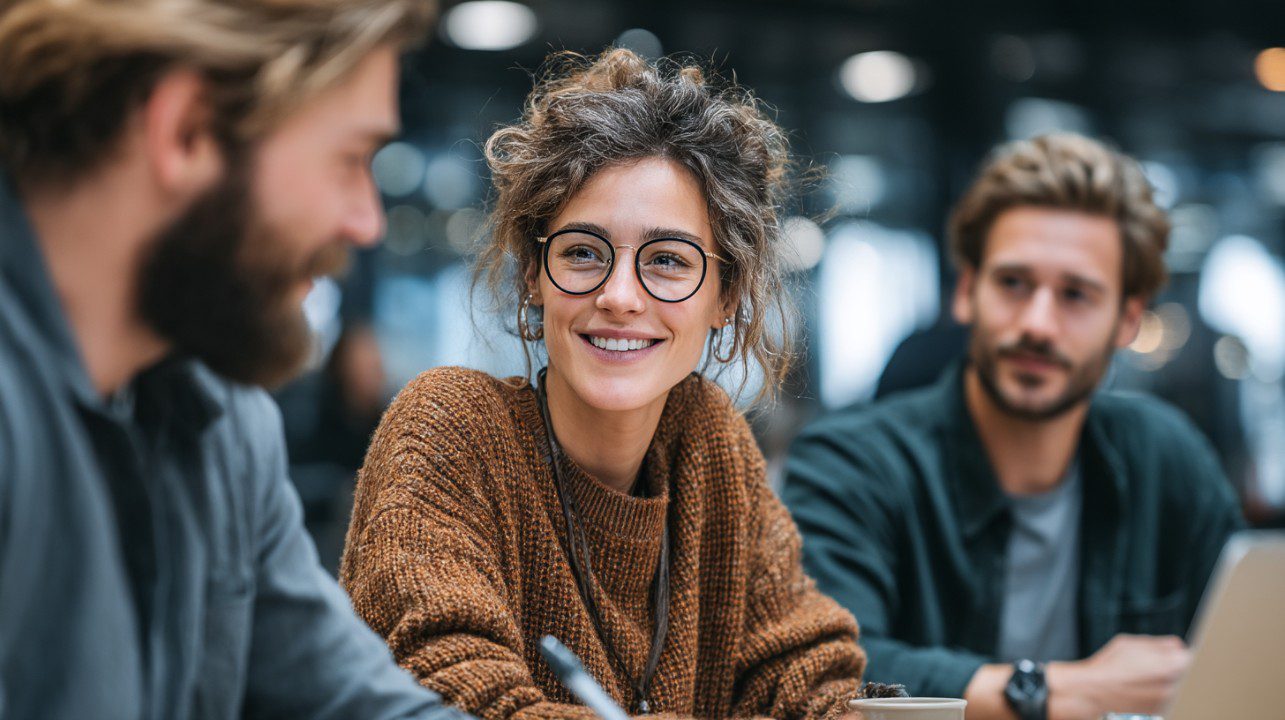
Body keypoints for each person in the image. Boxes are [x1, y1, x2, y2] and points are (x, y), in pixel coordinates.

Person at [339, 48, 866, 720]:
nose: (619, 296)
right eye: (583, 252)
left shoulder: (707, 443)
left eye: (668, 260)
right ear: (532, 275)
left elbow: (812, 681)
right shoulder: (452, 428)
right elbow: (445, 695)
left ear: (726, 294)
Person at [0, 1, 469, 718]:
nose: (367, 222)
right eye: (350, 160)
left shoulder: (224, 423)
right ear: (187, 131)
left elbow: (351, 700)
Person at [782, 134, 1245, 720]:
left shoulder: (1166, 458)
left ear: (1128, 320)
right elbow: (822, 668)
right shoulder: (851, 463)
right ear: (967, 291)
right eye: (1013, 284)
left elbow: (1251, 650)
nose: (1038, 324)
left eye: (1076, 294)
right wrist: (1052, 691)